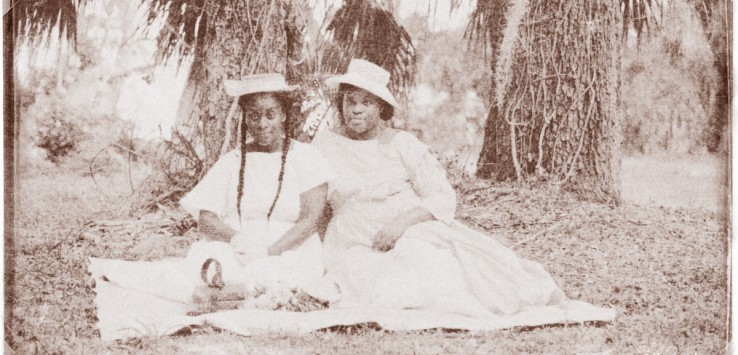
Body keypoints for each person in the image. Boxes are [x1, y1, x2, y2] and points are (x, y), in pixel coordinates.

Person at [311, 59, 571, 317]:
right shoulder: (325, 144)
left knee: (441, 266)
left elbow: (441, 195)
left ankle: (526, 291)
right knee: (376, 281)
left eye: (366, 102)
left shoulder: (402, 144)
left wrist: (400, 224)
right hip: (353, 240)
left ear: (381, 108)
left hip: (409, 231)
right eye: (350, 101)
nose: (356, 109)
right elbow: (316, 207)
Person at [91, 73, 333, 304]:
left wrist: (270, 253)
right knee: (210, 267)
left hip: (290, 249)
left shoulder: (307, 157)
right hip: (238, 248)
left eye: (271, 114)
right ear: (245, 118)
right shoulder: (232, 161)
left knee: (282, 276)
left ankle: (243, 291)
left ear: (283, 115)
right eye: (254, 115)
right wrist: (238, 240)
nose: (262, 124)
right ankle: (238, 292)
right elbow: (206, 219)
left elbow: (310, 219)